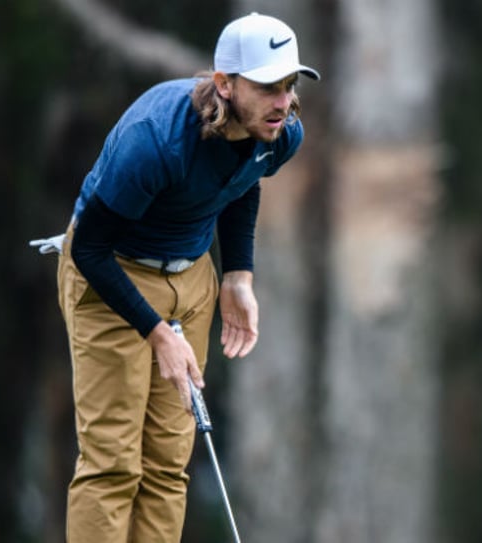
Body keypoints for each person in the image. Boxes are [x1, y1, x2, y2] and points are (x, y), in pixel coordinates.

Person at [51, 12, 319, 542]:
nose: (283, 101)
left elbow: (243, 181)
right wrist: (155, 334)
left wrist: (238, 275)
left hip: (192, 279)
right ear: (225, 84)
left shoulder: (279, 133)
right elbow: (90, 249)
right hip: (111, 277)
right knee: (113, 463)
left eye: (289, 85)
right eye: (268, 86)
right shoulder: (154, 140)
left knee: (169, 464)